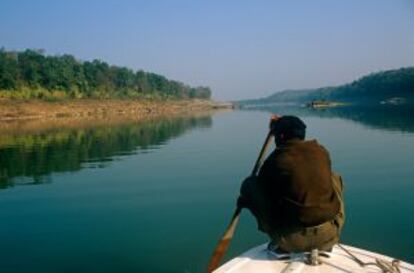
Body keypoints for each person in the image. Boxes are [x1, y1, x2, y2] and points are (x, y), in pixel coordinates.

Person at [238, 115, 345, 253]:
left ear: (280, 137)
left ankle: (280, 241)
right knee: (334, 177)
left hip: (289, 242)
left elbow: (265, 193)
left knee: (250, 185)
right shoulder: (321, 151)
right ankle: (324, 234)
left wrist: (245, 200)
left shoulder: (276, 161)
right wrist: (278, 126)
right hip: (330, 235)